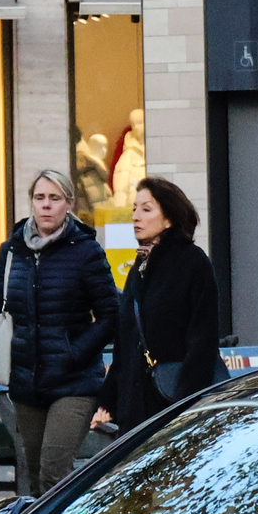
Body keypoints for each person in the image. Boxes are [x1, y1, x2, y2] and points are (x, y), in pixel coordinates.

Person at [0, 168, 118, 493]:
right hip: (26, 382)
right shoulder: (12, 250)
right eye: (39, 197)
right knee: (33, 476)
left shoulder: (86, 251)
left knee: (53, 473)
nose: (46, 205)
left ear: (69, 204)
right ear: (31, 202)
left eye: (54, 198)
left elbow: (111, 315)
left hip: (74, 382)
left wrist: (75, 353)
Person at [95, 176, 222, 434]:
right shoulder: (139, 268)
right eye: (134, 209)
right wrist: (107, 402)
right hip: (135, 410)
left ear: (169, 219)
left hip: (174, 407)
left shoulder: (193, 263)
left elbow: (203, 341)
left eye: (146, 209)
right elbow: (125, 345)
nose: (135, 217)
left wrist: (184, 404)